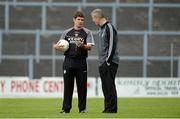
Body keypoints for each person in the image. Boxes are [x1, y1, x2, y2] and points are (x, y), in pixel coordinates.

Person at [53, 11, 94, 113]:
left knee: (82, 87)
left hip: (81, 62)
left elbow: (89, 47)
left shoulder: (87, 32)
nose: (80, 21)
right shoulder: (66, 32)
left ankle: (82, 109)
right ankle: (66, 109)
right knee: (68, 87)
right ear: (74, 20)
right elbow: (59, 45)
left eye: (82, 20)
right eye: (78, 19)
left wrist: (82, 46)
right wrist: (56, 47)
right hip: (68, 61)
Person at [91, 9, 119, 113]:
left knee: (109, 85)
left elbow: (112, 45)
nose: (93, 21)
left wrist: (107, 61)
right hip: (102, 63)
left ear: (98, 17)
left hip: (109, 62)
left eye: (93, 18)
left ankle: (112, 109)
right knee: (105, 86)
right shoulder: (100, 30)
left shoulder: (109, 27)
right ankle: (107, 108)